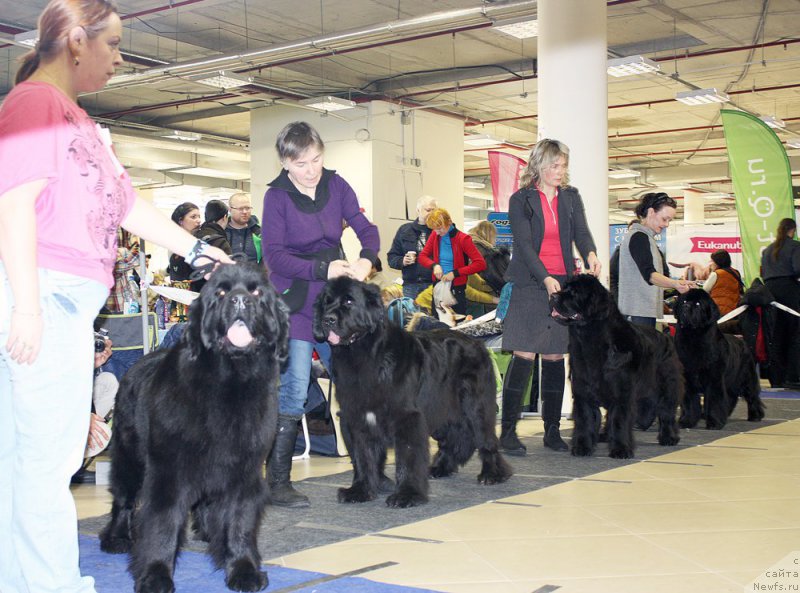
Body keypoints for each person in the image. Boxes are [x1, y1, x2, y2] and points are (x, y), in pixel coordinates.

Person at [0, 2, 232, 590]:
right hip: (44, 293)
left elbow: (126, 205)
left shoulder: (74, 119)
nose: (120, 58)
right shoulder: (34, 104)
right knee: (43, 465)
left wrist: (196, 249)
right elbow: (12, 203)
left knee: (33, 462)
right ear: (77, 40)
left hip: (68, 301)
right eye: (114, 44)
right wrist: (26, 307)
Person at [262, 121, 379, 508]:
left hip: (336, 301)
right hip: (295, 300)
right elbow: (274, 256)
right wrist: (321, 269)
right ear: (285, 162)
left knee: (356, 386)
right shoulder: (276, 197)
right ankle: (278, 481)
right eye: (301, 164)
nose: (311, 170)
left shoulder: (337, 185)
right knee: (295, 389)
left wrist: (366, 260)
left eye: (316, 159)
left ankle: (370, 473)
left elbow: (366, 229)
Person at [499, 139, 601, 456]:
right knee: (525, 354)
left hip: (563, 283)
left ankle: (552, 430)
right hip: (531, 283)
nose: (560, 171)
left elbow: (582, 232)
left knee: (556, 356)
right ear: (540, 166)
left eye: (563, 165)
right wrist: (544, 277)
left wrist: (592, 254)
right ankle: (508, 432)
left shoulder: (570, 198)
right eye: (554, 165)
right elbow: (526, 245)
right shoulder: (521, 200)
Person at [618, 192, 692, 327]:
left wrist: (677, 284)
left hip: (642, 311)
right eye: (665, 219)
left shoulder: (645, 238)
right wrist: (675, 284)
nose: (667, 224)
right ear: (651, 212)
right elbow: (650, 275)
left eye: (669, 220)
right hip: (638, 312)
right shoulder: (639, 238)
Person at [417, 207, 486, 316]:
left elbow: (480, 264)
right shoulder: (435, 236)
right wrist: (434, 266)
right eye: (434, 229)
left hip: (457, 290)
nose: (437, 232)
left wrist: (455, 273)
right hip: (439, 288)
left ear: (448, 222)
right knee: (438, 325)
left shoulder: (463, 239)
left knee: (456, 326)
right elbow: (422, 257)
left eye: (440, 228)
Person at [761, 217, 800, 388]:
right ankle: (793, 377)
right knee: (794, 334)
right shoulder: (795, 247)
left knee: (775, 335)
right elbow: (798, 269)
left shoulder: (767, 250)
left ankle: (776, 377)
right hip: (789, 292)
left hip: (770, 293)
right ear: (793, 230)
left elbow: (763, 272)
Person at [387, 195, 437, 299]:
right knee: (411, 315)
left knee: (433, 315)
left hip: (434, 284)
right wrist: (403, 261)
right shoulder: (404, 230)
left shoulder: (439, 231)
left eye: (434, 210)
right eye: (428, 210)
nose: (431, 213)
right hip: (410, 285)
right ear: (418, 210)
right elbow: (392, 257)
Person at [167, 201, 202, 283]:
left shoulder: (199, 241)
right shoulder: (174, 243)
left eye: (199, 217)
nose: (198, 220)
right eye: (193, 217)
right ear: (180, 221)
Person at [703, 249, 744, 316]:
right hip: (733, 311)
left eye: (712, 261)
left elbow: (705, 290)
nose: (711, 263)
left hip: (718, 310)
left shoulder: (716, 274)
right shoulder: (736, 272)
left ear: (717, 262)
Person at [225, 192, 262, 263]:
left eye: (247, 208)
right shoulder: (222, 231)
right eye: (240, 208)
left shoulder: (259, 232)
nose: (245, 212)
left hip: (254, 273)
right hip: (228, 273)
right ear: (230, 210)